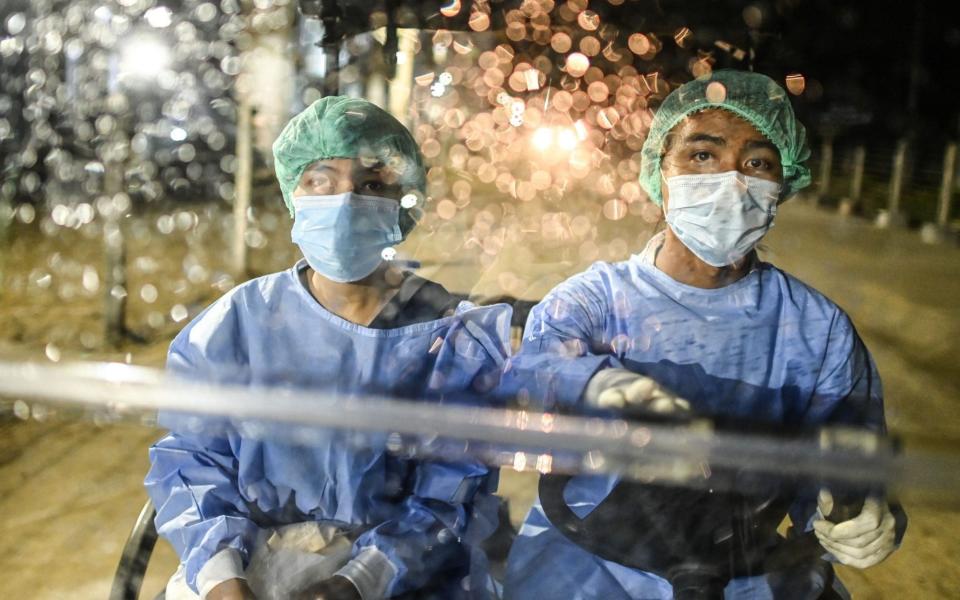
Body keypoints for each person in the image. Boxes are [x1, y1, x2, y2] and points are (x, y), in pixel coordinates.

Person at [501, 70, 904, 599]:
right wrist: (605, 388)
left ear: (782, 187)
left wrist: (866, 516)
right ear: (659, 172)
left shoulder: (817, 330)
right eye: (702, 156)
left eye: (757, 163)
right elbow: (529, 391)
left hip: (742, 573)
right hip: (587, 567)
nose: (731, 182)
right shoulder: (591, 304)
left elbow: (844, 469)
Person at [145, 96, 511, 600]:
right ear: (294, 193)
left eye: (372, 184)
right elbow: (191, 461)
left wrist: (359, 580)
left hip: (407, 581)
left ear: (406, 200)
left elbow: (451, 495)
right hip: (250, 564)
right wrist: (222, 576)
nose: (344, 200)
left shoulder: (451, 336)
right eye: (321, 180)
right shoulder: (239, 321)